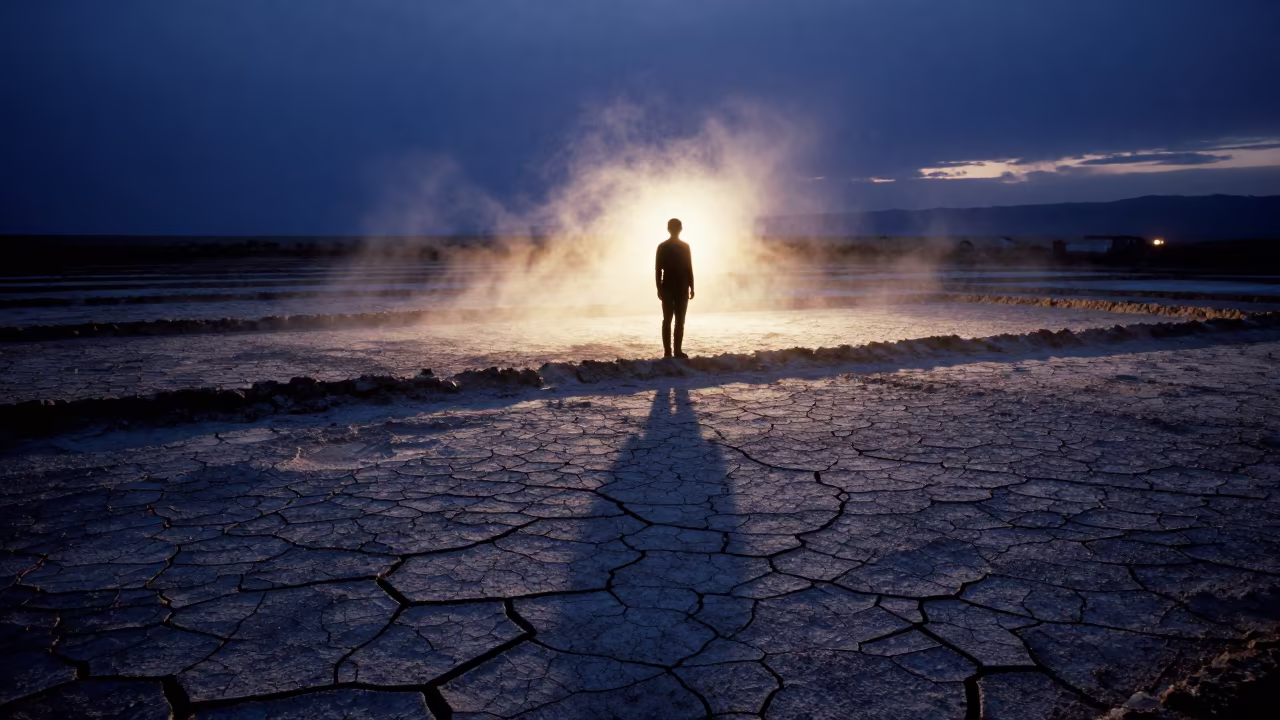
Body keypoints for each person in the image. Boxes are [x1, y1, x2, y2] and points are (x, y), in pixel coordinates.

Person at [655, 218, 694, 358]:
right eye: (673, 227)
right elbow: (658, 270)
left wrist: (692, 286)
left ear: (680, 229)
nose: (676, 230)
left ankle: (677, 351)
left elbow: (689, 268)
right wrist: (659, 288)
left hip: (682, 287)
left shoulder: (685, 246)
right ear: (669, 229)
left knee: (680, 320)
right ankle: (668, 352)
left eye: (678, 227)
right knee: (668, 319)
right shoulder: (662, 247)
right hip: (668, 287)